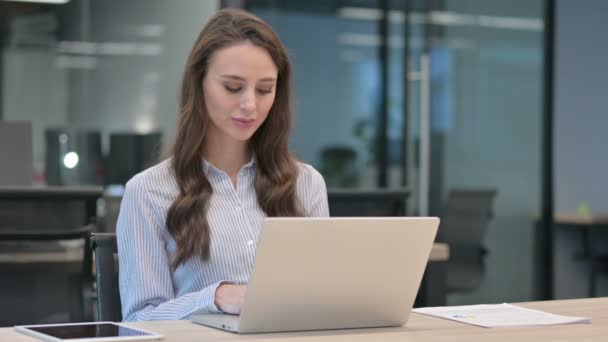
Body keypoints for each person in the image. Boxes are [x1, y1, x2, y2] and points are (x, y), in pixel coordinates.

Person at [117, 8, 329, 321]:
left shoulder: (306, 183)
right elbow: (137, 323)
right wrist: (215, 297)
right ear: (199, 84)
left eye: (264, 90)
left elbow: (324, 297)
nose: (250, 105)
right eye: (232, 87)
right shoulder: (148, 192)